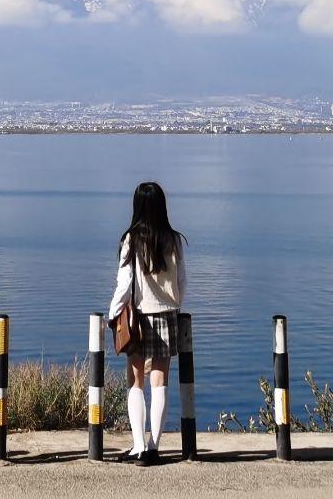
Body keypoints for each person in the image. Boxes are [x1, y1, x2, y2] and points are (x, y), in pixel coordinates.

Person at [105, 180, 187, 465]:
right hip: (167, 315)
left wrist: (113, 314)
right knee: (160, 381)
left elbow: (124, 284)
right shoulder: (173, 239)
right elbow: (182, 282)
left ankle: (139, 446)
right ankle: (154, 447)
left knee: (136, 381)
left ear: (137, 206)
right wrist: (174, 306)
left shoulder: (131, 239)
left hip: (139, 318)